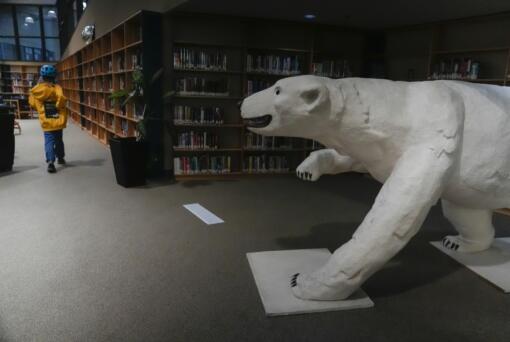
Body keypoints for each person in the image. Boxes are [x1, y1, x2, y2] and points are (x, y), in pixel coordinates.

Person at [29, 64, 68, 173]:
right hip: (58, 119)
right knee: (59, 140)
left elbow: (32, 103)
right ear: (54, 77)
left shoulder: (36, 90)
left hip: (46, 121)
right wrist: (57, 106)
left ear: (41, 76)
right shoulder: (57, 88)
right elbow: (61, 99)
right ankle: (60, 158)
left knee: (49, 141)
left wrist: (41, 109)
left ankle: (51, 162)